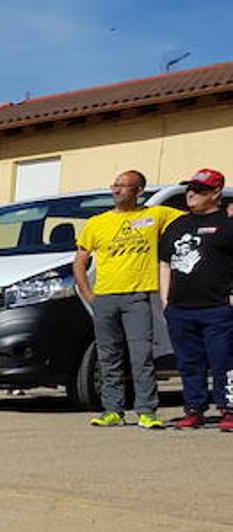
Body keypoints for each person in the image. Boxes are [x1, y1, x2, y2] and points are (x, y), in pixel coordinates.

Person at [74, 169, 182, 429]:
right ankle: (113, 410)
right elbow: (79, 261)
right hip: (105, 298)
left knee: (141, 356)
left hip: (138, 297)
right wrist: (90, 295)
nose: (116, 189)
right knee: (109, 356)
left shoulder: (155, 215)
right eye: (115, 184)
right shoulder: (96, 223)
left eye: (123, 185)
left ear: (139, 191)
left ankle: (146, 411)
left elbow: (195, 218)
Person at [158, 168, 233, 430]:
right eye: (190, 188)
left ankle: (229, 410)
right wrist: (165, 300)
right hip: (180, 308)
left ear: (216, 194)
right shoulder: (177, 225)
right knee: (189, 363)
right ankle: (194, 409)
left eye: (200, 190)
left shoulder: (228, 222)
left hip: (219, 307)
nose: (192, 194)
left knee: (224, 361)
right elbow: (165, 263)